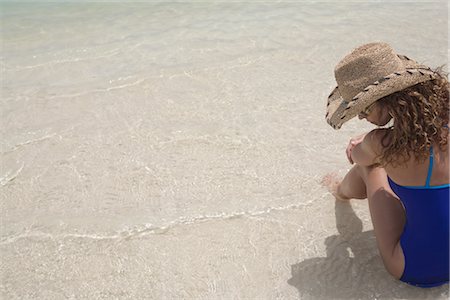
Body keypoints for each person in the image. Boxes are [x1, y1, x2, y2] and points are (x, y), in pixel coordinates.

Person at [323, 42, 449, 287]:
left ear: (389, 100)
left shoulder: (383, 144)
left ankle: (338, 191)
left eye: (364, 108)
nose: (360, 116)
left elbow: (357, 157)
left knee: (370, 167)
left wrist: (369, 143)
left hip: (415, 267)